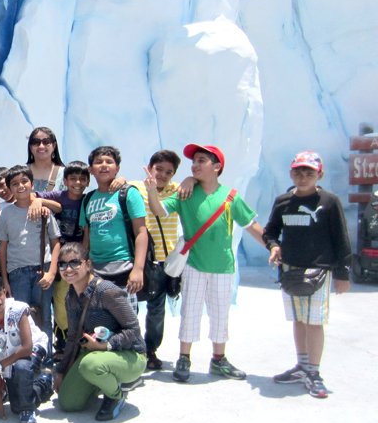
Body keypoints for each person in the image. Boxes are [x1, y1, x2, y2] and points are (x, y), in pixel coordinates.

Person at [144, 143, 266, 382]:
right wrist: (151, 191)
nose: (194, 165)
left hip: (223, 266)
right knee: (190, 312)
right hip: (194, 265)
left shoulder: (230, 197)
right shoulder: (185, 193)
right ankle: (184, 358)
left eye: (201, 160)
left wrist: (272, 246)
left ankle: (219, 359)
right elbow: (159, 210)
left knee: (220, 314)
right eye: (194, 161)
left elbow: (251, 225)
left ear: (216, 167)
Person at [264, 151, 352, 398]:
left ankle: (314, 371)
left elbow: (341, 238)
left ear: (319, 175)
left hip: (318, 271)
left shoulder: (329, 201)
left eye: (309, 173)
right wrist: (274, 246)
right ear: (291, 173)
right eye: (298, 172)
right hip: (290, 270)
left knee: (314, 322)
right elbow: (271, 231)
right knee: (299, 320)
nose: (303, 177)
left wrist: (343, 274)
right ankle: (302, 365)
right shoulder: (283, 202)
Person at [53, 243, 146, 421]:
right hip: (96, 354)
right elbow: (72, 338)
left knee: (90, 365)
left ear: (88, 264)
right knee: (68, 402)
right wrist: (61, 370)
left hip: (130, 355)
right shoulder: (70, 296)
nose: (68, 269)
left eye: (74, 263)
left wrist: (106, 345)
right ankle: (102, 381)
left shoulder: (106, 291)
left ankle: (116, 395)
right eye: (62, 264)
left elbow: (134, 330)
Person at [0, 273, 53, 423]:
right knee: (15, 407)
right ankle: (43, 384)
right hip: (11, 357)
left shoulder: (18, 309)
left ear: (5, 291)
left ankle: (28, 410)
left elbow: (27, 348)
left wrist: (0, 365)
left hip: (35, 347)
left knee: (22, 367)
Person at [0, 165, 61, 348]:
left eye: (24, 181)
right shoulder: (5, 214)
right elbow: (2, 249)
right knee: (22, 318)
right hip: (17, 273)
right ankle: (28, 358)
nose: (20, 186)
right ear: (10, 188)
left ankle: (46, 357)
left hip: (43, 269)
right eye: (15, 183)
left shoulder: (43, 210)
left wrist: (52, 272)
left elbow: (55, 243)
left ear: (32, 184)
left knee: (45, 316)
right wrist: (5, 280)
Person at [130, 150, 182, 370]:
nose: (163, 175)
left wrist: (190, 180)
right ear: (150, 168)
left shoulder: (177, 190)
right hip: (141, 258)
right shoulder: (134, 188)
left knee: (157, 309)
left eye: (169, 172)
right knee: (131, 306)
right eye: (159, 169)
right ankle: (131, 347)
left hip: (165, 260)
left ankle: (150, 349)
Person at [80, 146, 148, 309]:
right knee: (99, 321)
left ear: (117, 168)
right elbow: (86, 237)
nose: (104, 165)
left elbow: (141, 232)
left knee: (127, 321)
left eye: (109, 162)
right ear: (91, 170)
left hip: (124, 269)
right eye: (98, 162)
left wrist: (138, 269)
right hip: (95, 272)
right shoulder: (88, 198)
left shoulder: (129, 193)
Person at [38, 160, 91, 355]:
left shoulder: (88, 199)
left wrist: (84, 258)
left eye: (82, 179)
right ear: (66, 181)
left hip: (79, 257)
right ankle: (63, 339)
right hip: (58, 257)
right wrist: (52, 205)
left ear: (88, 182)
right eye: (73, 179)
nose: (77, 183)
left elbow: (87, 232)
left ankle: (79, 339)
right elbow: (33, 196)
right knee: (59, 299)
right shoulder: (58, 195)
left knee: (79, 298)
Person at [26, 126, 65, 192]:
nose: (41, 146)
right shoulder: (21, 174)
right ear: (30, 147)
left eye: (46, 142)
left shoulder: (64, 174)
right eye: (36, 142)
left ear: (54, 146)